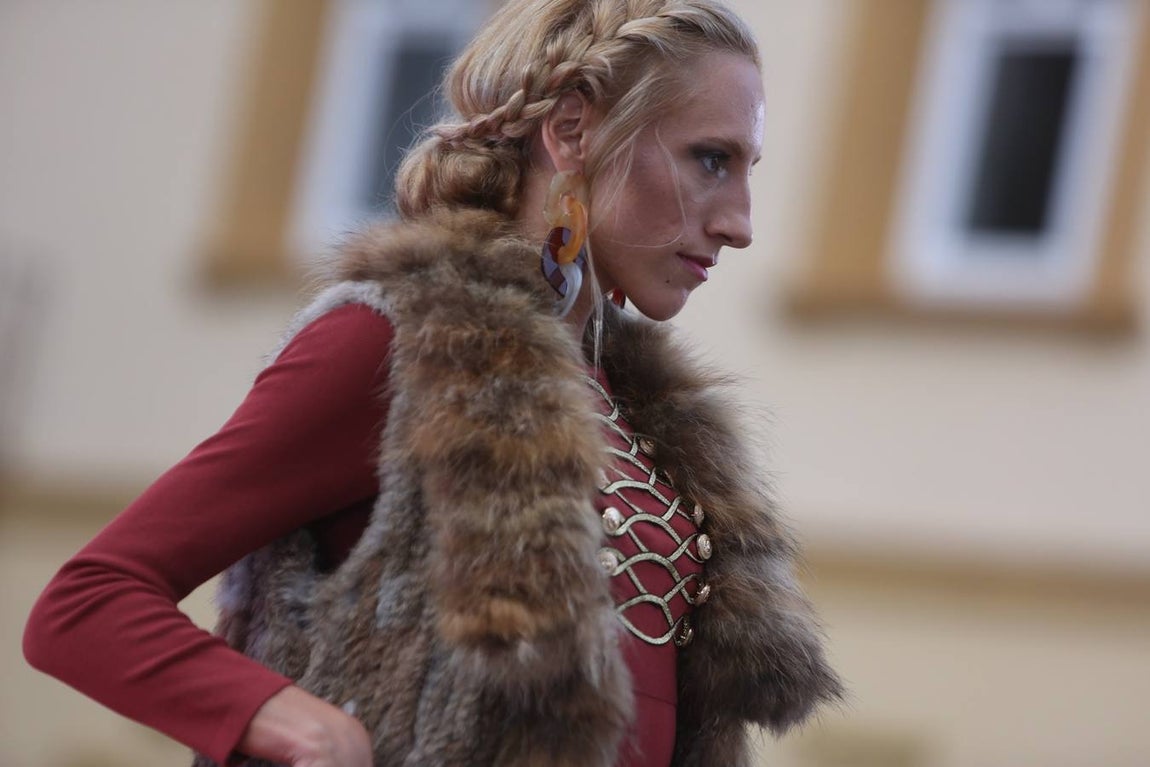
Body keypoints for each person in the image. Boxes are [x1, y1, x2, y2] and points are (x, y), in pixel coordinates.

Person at [23, 1, 842, 765]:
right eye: (710, 160)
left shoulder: (639, 411)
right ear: (572, 131)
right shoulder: (397, 342)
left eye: (745, 168)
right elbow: (87, 602)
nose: (739, 223)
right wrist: (290, 717)